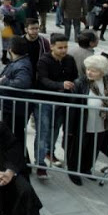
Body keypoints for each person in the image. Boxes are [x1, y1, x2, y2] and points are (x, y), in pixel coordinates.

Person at [67, 55, 108, 186]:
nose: (89, 72)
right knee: (78, 147)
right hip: (83, 122)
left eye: (93, 70)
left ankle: (86, 169)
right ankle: (74, 171)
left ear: (102, 71)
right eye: (88, 69)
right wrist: (70, 127)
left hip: (102, 122)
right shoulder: (80, 82)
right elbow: (72, 108)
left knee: (94, 147)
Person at [35, 33, 78, 179]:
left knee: (55, 131)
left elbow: (74, 77)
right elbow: (43, 80)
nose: (64, 50)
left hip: (62, 102)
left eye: (66, 47)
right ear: (52, 46)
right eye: (60, 47)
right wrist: (61, 85)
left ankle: (49, 152)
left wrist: (72, 85)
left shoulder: (70, 60)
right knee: (43, 133)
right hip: (45, 102)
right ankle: (40, 164)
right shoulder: (44, 61)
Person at [0, 36, 34, 175]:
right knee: (17, 136)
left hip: (14, 109)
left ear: (11, 49)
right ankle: (24, 163)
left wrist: (4, 82)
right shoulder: (19, 62)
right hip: (13, 107)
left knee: (13, 137)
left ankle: (20, 165)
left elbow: (22, 83)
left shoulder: (21, 64)